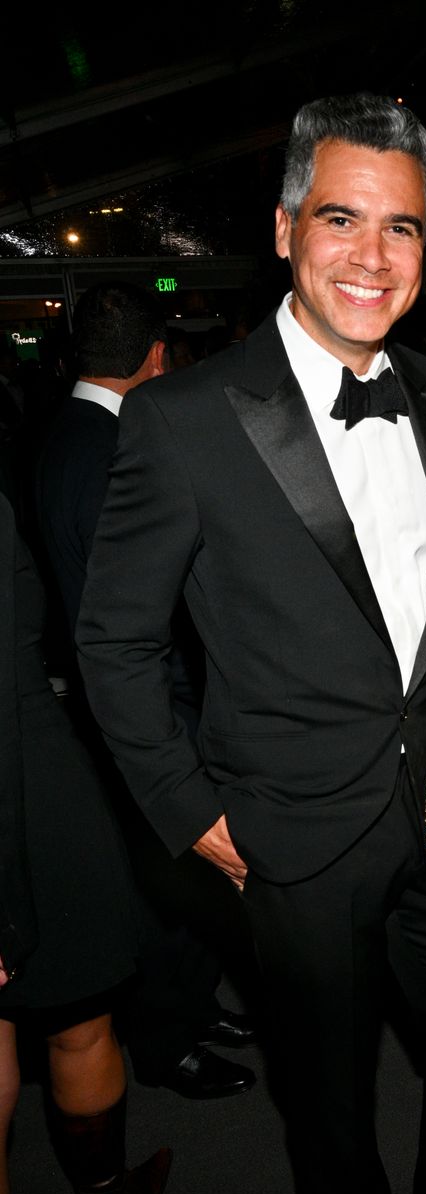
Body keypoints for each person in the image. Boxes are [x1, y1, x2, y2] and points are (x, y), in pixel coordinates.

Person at [76, 94, 426, 1194]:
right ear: (283, 230)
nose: (371, 255)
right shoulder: (181, 420)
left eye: (399, 227)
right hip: (294, 841)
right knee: (329, 1109)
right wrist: (186, 809)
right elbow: (111, 640)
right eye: (339, 219)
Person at [35, 282, 255, 1101]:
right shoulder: (111, 448)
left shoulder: (65, 434)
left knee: (180, 887)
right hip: (150, 708)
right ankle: (171, 1043)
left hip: (126, 702)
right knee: (169, 887)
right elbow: (131, 611)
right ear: (158, 357)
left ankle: (193, 1011)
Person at [0, 492, 171, 1194]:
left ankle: (106, 1186)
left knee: (76, 1021)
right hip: (32, 789)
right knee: (75, 1026)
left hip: (41, 786)